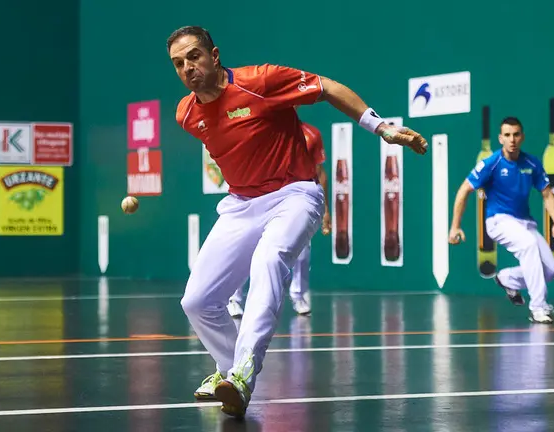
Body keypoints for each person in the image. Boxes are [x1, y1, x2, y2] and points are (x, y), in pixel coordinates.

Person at [168, 26, 428, 418]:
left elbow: (327, 87)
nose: (187, 68)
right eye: (178, 63)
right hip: (241, 204)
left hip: (295, 194)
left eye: (193, 56)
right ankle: (227, 371)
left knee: (269, 261)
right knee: (197, 301)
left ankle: (242, 372)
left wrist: (382, 128)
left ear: (214, 55)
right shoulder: (186, 113)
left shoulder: (261, 80)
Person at [447, 116, 554, 324]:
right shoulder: (491, 164)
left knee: (552, 269)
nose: (512, 140)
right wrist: (455, 226)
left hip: (525, 223)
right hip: (498, 220)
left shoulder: (531, 163)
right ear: (500, 138)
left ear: (522, 137)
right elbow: (464, 190)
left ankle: (507, 278)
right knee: (528, 246)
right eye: (507, 135)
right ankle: (538, 307)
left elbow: (547, 195)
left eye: (516, 135)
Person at [227, 121, 330, 318]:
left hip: (294, 203)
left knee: (303, 249)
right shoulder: (257, 129)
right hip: (259, 199)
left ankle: (298, 295)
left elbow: (320, 172)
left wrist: (325, 210)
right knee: (245, 249)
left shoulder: (310, 134)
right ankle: (235, 298)